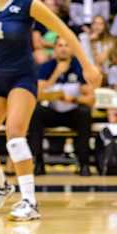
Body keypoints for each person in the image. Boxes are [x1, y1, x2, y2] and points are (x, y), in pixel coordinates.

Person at [0, 0, 100, 221]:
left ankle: (29, 202)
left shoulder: (28, 3)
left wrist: (88, 65)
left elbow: (65, 32)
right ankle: (1, 186)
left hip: (22, 77)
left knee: (15, 135)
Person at [29, 37, 95, 176]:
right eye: (60, 45)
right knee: (36, 112)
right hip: (53, 111)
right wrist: (56, 74)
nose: (63, 48)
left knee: (85, 112)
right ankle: (38, 163)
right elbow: (37, 94)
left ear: (72, 50)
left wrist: (74, 99)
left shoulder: (80, 68)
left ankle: (84, 164)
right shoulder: (46, 67)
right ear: (54, 49)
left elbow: (91, 99)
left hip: (72, 112)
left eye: (66, 45)